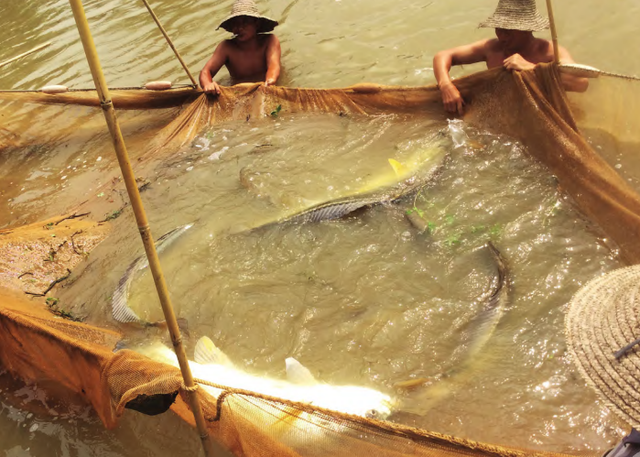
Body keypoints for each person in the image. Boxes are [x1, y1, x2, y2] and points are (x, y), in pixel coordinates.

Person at [433, 0, 587, 115]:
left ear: (527, 29)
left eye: (509, 29)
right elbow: (443, 55)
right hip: (506, 113)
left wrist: (533, 69)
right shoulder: (492, 48)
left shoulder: (550, 52)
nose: (502, 35)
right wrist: (446, 85)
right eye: (498, 28)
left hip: (544, 114)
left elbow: (581, 83)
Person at [199, 0, 281, 95]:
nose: (239, 28)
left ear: (256, 24)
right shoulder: (226, 47)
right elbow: (206, 71)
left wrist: (269, 82)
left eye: (245, 23)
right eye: (235, 24)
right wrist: (208, 84)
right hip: (240, 92)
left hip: (265, 86)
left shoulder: (270, 40)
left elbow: (273, 67)